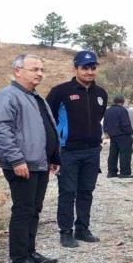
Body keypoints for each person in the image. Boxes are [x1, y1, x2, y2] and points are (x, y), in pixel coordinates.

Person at [0, 54, 60, 263]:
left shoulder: (36, 97)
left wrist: (54, 157)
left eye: (41, 69)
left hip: (39, 163)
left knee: (34, 209)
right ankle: (19, 259)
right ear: (17, 71)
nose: (39, 73)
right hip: (22, 164)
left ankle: (30, 252)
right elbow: (2, 131)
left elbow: (46, 128)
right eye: (34, 69)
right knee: (23, 210)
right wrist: (17, 159)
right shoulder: (7, 96)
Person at [47, 51, 107, 248]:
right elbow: (48, 120)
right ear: (75, 69)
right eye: (85, 68)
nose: (89, 72)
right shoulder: (60, 92)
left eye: (93, 68)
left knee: (86, 191)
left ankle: (82, 228)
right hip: (68, 151)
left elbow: (99, 118)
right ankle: (66, 232)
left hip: (92, 151)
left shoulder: (101, 94)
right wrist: (52, 152)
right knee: (67, 192)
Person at [104, 94, 133, 179]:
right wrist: (130, 132)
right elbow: (125, 123)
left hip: (112, 135)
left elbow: (105, 123)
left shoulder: (108, 111)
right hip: (123, 135)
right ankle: (125, 172)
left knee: (113, 154)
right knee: (125, 154)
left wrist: (107, 132)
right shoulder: (122, 110)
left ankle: (111, 172)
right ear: (123, 101)